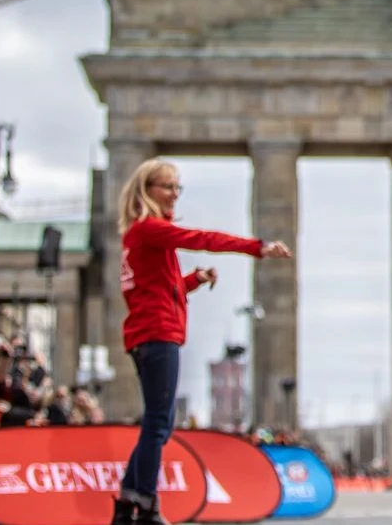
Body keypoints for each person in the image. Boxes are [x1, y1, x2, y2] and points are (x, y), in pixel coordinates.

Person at [110, 159, 291, 525]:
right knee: (158, 424)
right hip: (158, 333)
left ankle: (128, 500)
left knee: (158, 422)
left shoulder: (139, 236)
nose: (174, 194)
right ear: (147, 190)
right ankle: (146, 504)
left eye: (178, 187)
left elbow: (159, 289)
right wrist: (258, 247)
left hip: (149, 333)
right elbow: (202, 239)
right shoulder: (150, 230)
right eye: (167, 187)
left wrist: (194, 279)